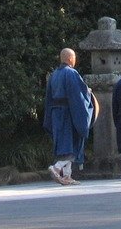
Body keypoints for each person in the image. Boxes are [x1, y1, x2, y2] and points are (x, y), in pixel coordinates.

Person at [43, 48, 94, 186]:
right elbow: (78, 96)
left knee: (64, 144)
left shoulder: (54, 74)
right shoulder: (71, 73)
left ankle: (67, 176)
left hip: (56, 113)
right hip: (68, 113)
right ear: (71, 59)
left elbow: (48, 98)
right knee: (71, 143)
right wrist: (88, 93)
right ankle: (57, 167)